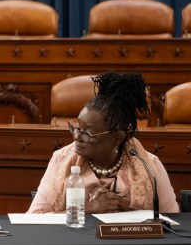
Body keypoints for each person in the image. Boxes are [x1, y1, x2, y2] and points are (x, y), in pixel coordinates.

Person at [29, 71, 178, 214]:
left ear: (117, 138)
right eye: (77, 127)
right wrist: (84, 211)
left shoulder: (149, 165)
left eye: (87, 132)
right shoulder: (61, 160)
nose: (77, 136)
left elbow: (172, 218)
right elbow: (34, 216)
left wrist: (131, 209)